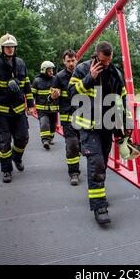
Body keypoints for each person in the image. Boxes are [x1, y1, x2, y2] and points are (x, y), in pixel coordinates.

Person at [68, 41, 133, 225]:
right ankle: (99, 206)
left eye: (109, 61)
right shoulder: (82, 69)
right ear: (96, 55)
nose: (106, 64)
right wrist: (89, 78)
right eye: (103, 61)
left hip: (107, 126)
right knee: (96, 163)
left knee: (102, 163)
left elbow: (122, 100)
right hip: (88, 127)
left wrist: (126, 123)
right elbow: (71, 93)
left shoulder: (115, 72)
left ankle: (99, 193)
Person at [0, 33, 36, 183]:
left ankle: (17, 158)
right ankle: (6, 170)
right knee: (4, 142)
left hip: (19, 109)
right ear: (2, 48)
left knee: (23, 138)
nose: (10, 49)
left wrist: (31, 105)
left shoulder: (20, 63)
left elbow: (27, 84)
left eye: (12, 46)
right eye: (7, 47)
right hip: (2, 111)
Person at [53, 50, 81, 186]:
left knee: (83, 144)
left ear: (77, 60)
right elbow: (50, 97)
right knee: (72, 145)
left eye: (73, 60)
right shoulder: (59, 77)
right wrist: (53, 96)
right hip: (67, 117)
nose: (71, 63)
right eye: (68, 61)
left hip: (84, 117)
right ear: (64, 62)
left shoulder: (83, 74)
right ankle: (74, 172)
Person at [31, 61, 59, 149]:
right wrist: (30, 106)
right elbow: (32, 95)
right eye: (49, 70)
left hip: (53, 109)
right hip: (42, 109)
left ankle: (50, 139)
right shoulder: (37, 81)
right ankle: (45, 140)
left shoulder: (55, 80)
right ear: (44, 70)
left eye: (52, 70)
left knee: (53, 125)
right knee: (44, 123)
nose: (51, 72)